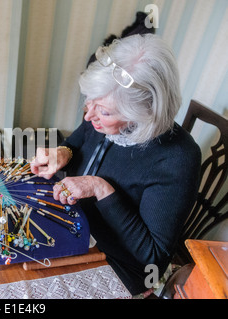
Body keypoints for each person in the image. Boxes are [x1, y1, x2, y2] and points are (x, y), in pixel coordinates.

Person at [30, 34, 201, 296]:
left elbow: (152, 259)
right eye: (89, 101)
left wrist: (100, 188)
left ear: (143, 113)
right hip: (72, 223)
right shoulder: (102, 107)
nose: (88, 116)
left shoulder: (179, 157)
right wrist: (62, 152)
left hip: (118, 264)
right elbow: (77, 141)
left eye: (104, 112)